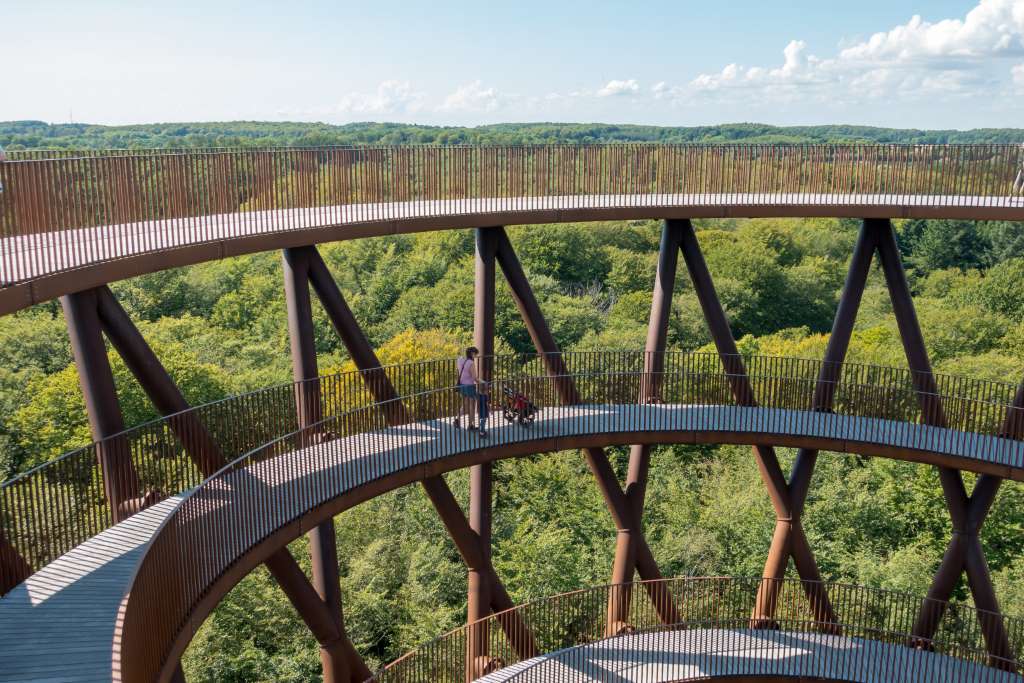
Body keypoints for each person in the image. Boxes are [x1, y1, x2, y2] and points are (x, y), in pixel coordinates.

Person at [454, 347, 479, 431]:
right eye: (475, 354)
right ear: (472, 354)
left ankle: (457, 419)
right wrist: (483, 382)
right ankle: (470, 425)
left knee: (465, 404)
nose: (476, 356)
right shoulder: (471, 363)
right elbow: (475, 378)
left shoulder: (460, 360)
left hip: (462, 386)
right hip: (469, 386)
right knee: (472, 405)